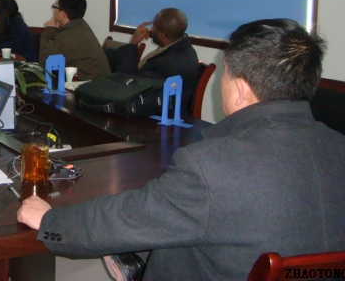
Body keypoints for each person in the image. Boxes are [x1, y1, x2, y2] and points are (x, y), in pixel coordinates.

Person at [18, 18, 345, 281]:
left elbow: (127, 218)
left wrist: (51, 221)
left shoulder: (212, 166)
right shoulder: (338, 146)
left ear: (241, 89)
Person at [114, 8, 199, 113]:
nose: (150, 30)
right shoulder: (182, 48)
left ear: (162, 36)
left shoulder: (168, 63)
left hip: (160, 114)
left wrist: (133, 43)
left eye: (154, 28)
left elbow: (129, 83)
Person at [39, 0, 111, 81]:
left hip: (90, 86)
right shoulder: (80, 25)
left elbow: (45, 63)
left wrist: (48, 31)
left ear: (63, 14)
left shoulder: (69, 36)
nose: (53, 10)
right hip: (98, 82)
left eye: (55, 6)